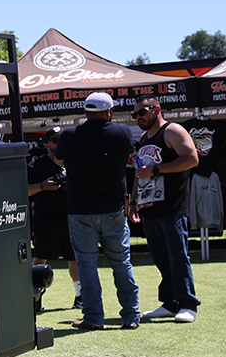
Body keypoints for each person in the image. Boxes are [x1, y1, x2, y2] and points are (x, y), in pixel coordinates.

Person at [55, 92, 141, 331]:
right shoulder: (122, 132)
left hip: (80, 209)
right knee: (122, 263)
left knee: (86, 265)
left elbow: (59, 157)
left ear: (85, 112)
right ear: (109, 111)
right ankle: (131, 316)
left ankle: (93, 317)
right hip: (114, 208)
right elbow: (130, 154)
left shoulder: (69, 134)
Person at [132, 96, 202, 323]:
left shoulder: (173, 131)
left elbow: (191, 159)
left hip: (172, 206)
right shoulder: (143, 139)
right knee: (161, 258)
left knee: (177, 256)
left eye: (142, 112)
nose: (138, 117)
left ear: (157, 109)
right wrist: (133, 202)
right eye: (135, 115)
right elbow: (139, 173)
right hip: (150, 208)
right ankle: (171, 303)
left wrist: (156, 170)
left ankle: (188, 304)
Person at [26, 129, 78, 307]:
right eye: (55, 141)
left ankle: (80, 297)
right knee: (40, 258)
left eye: (62, 140)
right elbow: (22, 190)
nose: (59, 144)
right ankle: (35, 298)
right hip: (47, 219)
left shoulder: (75, 161)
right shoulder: (37, 165)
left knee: (76, 259)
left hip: (73, 217)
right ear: (47, 144)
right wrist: (42, 186)